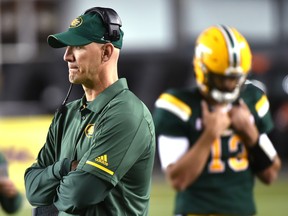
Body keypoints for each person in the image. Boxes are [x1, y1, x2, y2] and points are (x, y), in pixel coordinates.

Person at [24, 7, 155, 216]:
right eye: (67, 48)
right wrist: (67, 168)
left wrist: (49, 199)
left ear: (106, 52)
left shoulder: (127, 113)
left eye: (78, 47)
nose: (67, 56)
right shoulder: (67, 114)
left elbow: (78, 195)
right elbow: (32, 189)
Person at [153, 25, 281, 216]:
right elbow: (178, 180)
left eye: (235, 79)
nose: (230, 86)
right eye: (223, 79)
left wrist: (251, 134)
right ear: (202, 70)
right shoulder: (179, 106)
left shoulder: (251, 102)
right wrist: (210, 133)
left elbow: (271, 174)